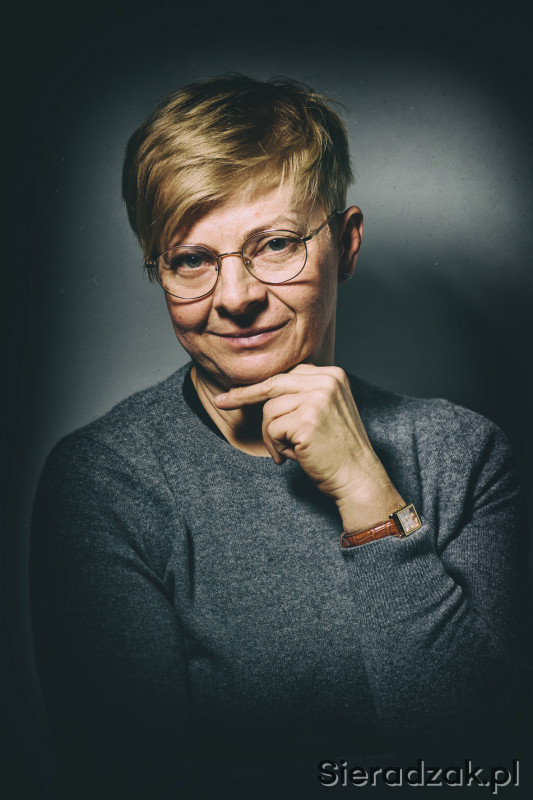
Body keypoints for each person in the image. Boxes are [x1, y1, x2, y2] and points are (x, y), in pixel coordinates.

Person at [30, 74, 529, 798]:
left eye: (275, 244)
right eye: (192, 259)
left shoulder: (463, 455)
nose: (235, 298)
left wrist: (364, 488)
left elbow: (485, 753)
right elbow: (127, 779)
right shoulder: (105, 481)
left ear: (346, 245)